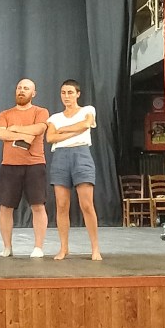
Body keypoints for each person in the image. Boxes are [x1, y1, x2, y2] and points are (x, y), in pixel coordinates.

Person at [46, 79, 102, 261]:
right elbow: (50, 138)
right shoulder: (54, 118)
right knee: (62, 205)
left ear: (78, 94)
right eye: (63, 93)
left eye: (70, 92)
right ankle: (64, 248)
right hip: (60, 157)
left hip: (81, 155)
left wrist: (63, 130)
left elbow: (85, 124)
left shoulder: (87, 110)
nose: (66, 96)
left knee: (87, 204)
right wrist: (72, 132)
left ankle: (95, 248)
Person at [0, 78, 50, 258]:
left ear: (33, 93)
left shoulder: (41, 111)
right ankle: (7, 247)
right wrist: (24, 134)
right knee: (5, 207)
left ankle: (38, 247)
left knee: (38, 206)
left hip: (34, 165)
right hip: (9, 165)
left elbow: (39, 129)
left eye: (26, 88)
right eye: (19, 87)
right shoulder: (5, 114)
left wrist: (15, 128)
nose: (21, 91)